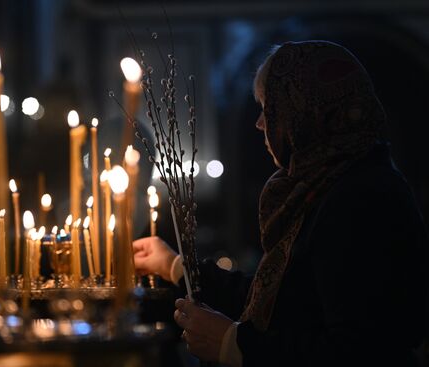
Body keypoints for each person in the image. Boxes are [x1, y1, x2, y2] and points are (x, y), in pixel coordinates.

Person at [133, 41, 428, 367]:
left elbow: (359, 352)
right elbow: (278, 299)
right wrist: (174, 265)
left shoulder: (359, 199)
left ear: (300, 112)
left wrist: (234, 345)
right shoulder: (325, 185)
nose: (260, 124)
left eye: (267, 109)